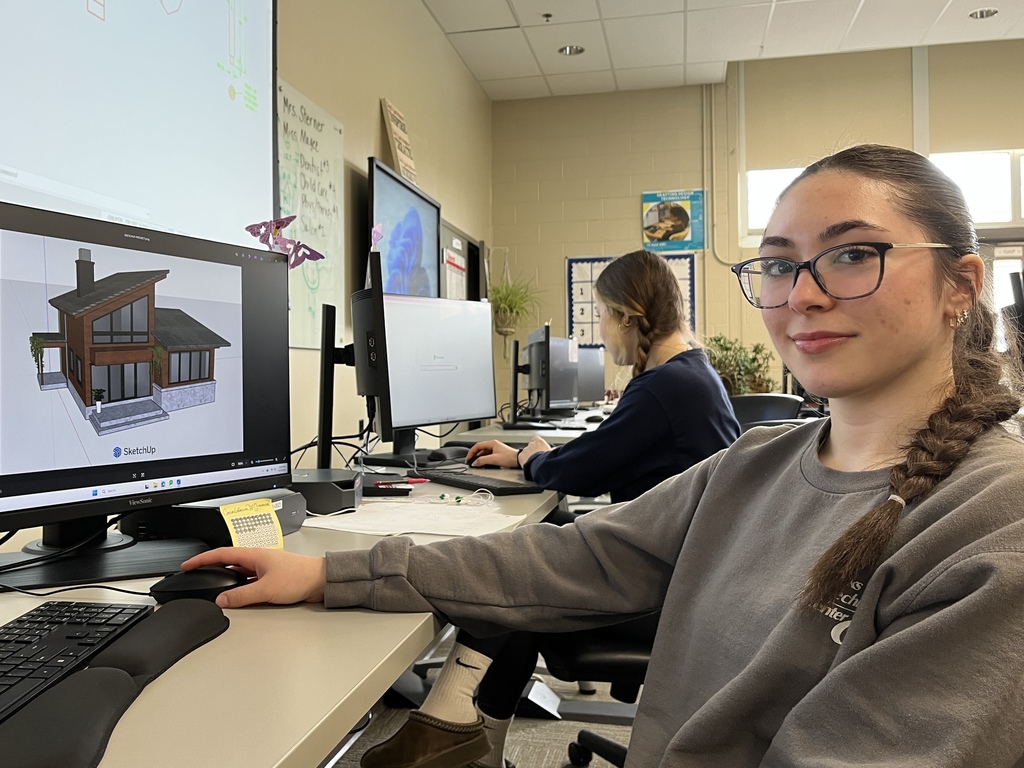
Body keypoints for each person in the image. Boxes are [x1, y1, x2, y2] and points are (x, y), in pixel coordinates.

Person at [184, 144, 1024, 767]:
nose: (801, 294)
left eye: (851, 254)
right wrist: (331, 575)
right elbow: (576, 558)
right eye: (777, 265)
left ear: (961, 285)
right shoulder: (758, 464)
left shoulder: (993, 524)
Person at [356, 248, 739, 768]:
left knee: (518, 573)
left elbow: (579, 471)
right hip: (694, 580)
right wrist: (536, 457)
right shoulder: (689, 375)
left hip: (667, 597)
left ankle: (455, 732)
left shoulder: (665, 387)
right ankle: (466, 738)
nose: (601, 331)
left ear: (629, 316)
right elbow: (601, 459)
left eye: (602, 315)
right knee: (539, 544)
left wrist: (532, 458)